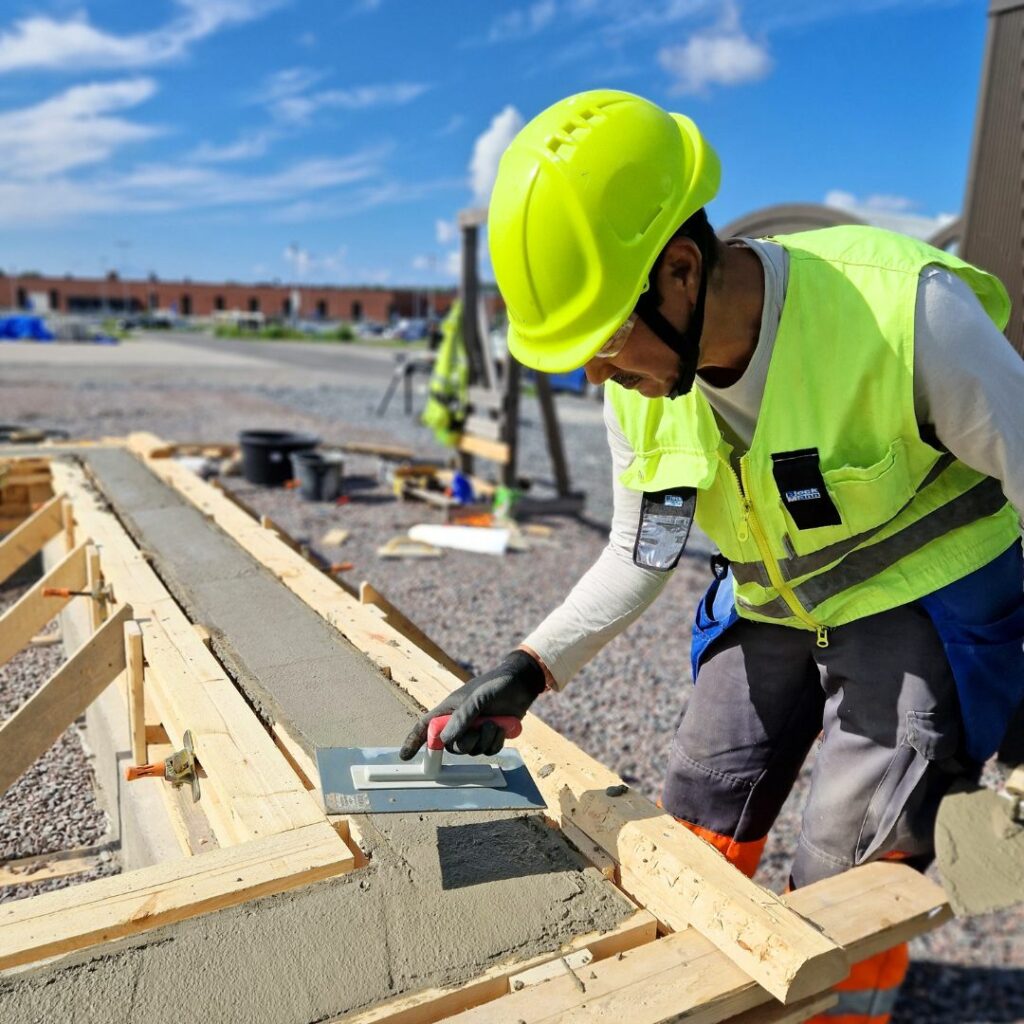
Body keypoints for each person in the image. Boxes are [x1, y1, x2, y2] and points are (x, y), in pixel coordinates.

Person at [399, 90, 1024, 1022]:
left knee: (844, 871)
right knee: (698, 798)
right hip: (775, 608)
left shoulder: (907, 315)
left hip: (926, 611)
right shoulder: (642, 382)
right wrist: (526, 669)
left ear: (682, 271)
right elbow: (637, 550)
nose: (595, 374)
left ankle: (834, 1010)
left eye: (603, 338)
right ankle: (699, 989)